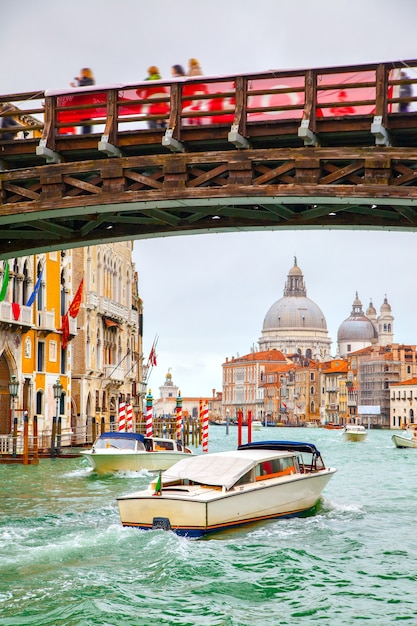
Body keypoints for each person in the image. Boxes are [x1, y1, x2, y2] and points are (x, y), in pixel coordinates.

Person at [70, 68, 96, 134]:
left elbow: (83, 88)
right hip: (84, 103)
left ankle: (87, 133)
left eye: (83, 72)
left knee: (87, 119)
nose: (81, 74)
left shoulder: (89, 80)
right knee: (84, 119)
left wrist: (79, 82)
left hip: (87, 103)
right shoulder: (87, 80)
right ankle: (86, 132)